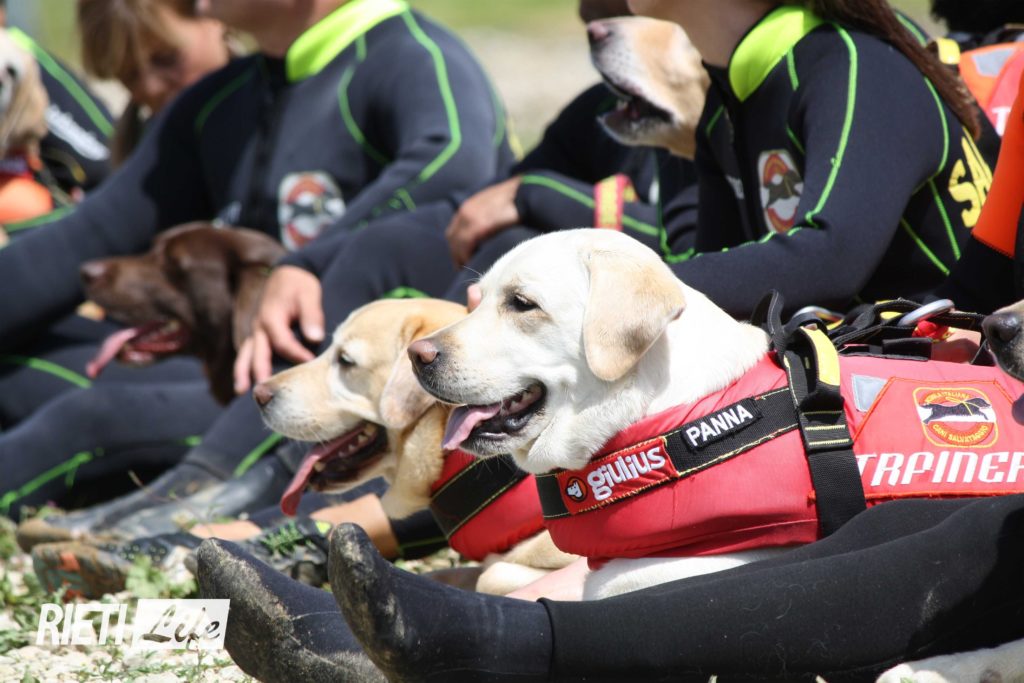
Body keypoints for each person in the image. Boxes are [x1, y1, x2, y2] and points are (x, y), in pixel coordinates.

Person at [0, 0, 511, 524]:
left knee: (86, 416)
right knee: (18, 368)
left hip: (348, 392)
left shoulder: (415, 57)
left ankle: (181, 514)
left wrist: (306, 263)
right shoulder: (221, 99)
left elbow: (452, 175)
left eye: (165, 60)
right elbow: (81, 242)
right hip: (251, 382)